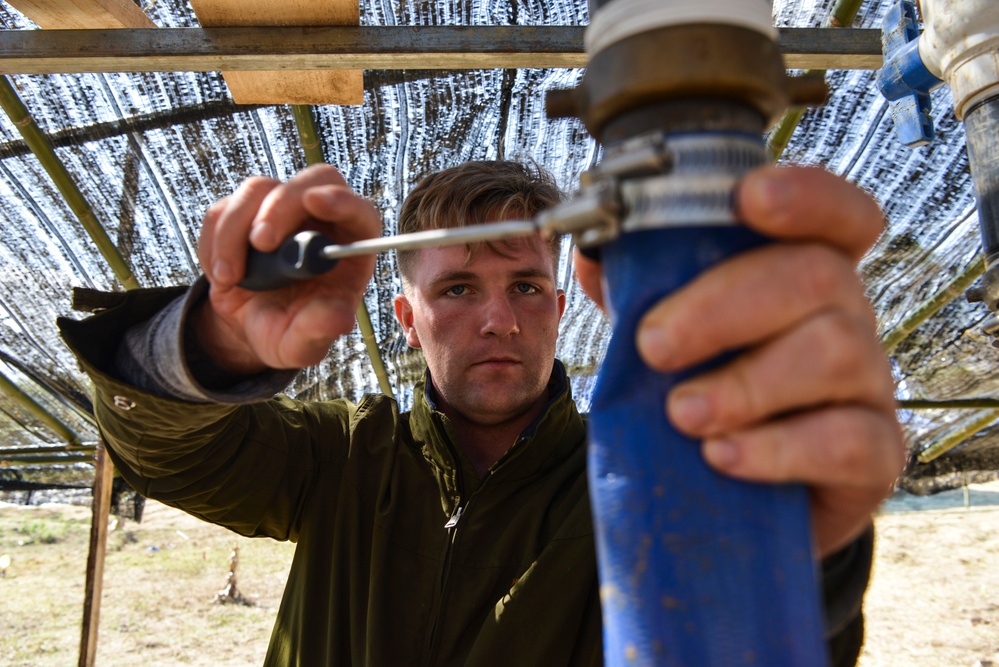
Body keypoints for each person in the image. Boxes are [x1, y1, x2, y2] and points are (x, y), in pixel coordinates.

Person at [59, 159, 904, 666]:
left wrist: (798, 542)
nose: (498, 319)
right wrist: (213, 342)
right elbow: (167, 449)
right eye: (458, 289)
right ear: (406, 316)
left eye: (526, 287)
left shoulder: (644, 477)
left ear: (560, 304)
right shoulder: (342, 454)